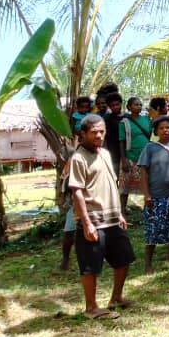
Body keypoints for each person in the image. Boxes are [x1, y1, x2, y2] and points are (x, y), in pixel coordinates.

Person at [69, 114, 134, 319]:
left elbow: (110, 185)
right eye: (94, 132)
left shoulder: (105, 153)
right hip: (93, 221)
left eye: (102, 131)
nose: (98, 135)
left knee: (124, 258)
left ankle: (116, 298)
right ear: (84, 133)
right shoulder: (78, 158)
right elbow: (77, 191)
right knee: (91, 266)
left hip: (113, 218)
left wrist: (120, 213)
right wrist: (86, 222)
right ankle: (91, 308)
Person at [138, 116, 169, 274]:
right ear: (156, 131)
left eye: (168, 127)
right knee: (153, 230)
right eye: (161, 128)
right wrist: (147, 195)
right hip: (156, 196)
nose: (165, 130)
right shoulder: (150, 148)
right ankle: (148, 264)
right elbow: (144, 172)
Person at [118, 95, 151, 208]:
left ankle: (147, 209)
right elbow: (121, 141)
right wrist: (124, 159)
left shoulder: (147, 120)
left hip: (145, 157)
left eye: (140, 105)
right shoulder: (124, 123)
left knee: (147, 184)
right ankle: (122, 211)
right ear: (129, 107)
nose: (139, 106)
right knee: (124, 186)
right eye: (136, 104)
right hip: (130, 157)